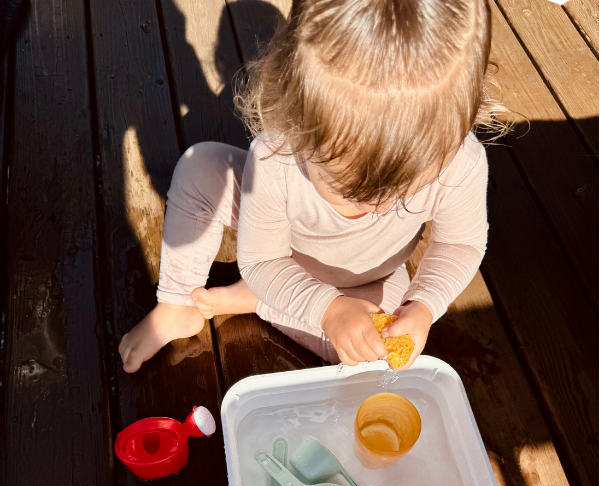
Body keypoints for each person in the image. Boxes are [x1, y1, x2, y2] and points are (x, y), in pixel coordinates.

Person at [119, 0, 506, 374]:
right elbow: (263, 260)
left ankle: (259, 300)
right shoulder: (278, 154)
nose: (373, 207)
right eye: (346, 185)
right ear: (298, 116)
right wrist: (327, 309)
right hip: (279, 249)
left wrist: (423, 305)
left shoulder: (460, 160)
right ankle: (176, 304)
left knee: (368, 352)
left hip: (371, 280)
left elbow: (461, 244)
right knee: (199, 167)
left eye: (399, 190)